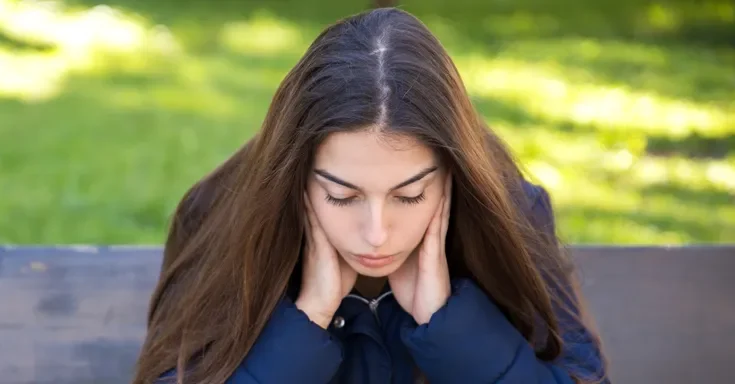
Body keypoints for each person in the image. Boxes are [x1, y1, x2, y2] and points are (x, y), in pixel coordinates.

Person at [133, 7, 608, 384]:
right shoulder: (221, 212)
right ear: (296, 176)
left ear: (453, 175)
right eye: (341, 196)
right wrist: (307, 320)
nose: (376, 234)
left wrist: (452, 327)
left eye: (410, 195)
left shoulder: (510, 213)